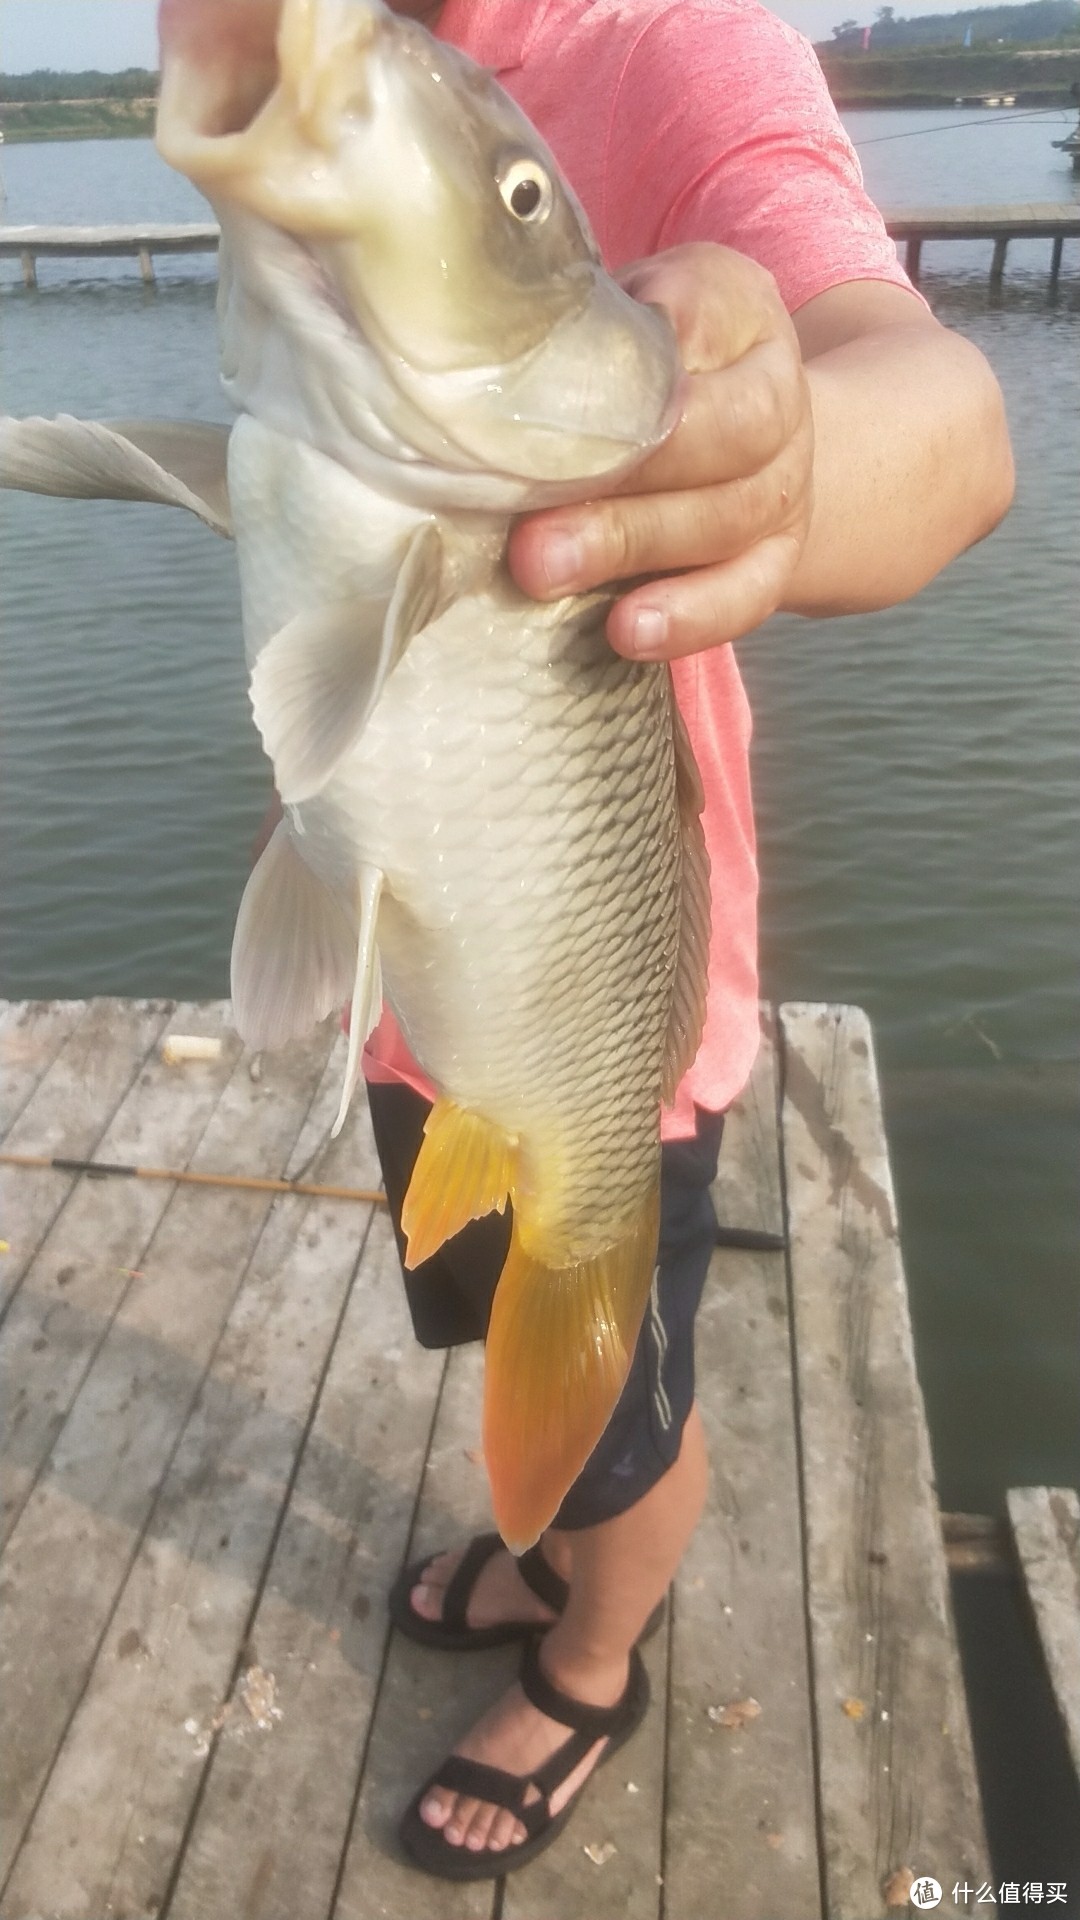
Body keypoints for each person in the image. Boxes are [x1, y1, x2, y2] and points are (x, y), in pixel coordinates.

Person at [353, 0, 1014, 1880]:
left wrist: (795, 465)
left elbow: (947, 425)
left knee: (622, 1402)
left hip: (610, 1008)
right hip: (429, 1000)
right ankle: (546, 1536)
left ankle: (593, 1649)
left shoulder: (674, 49)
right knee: (501, 1338)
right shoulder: (335, 72)